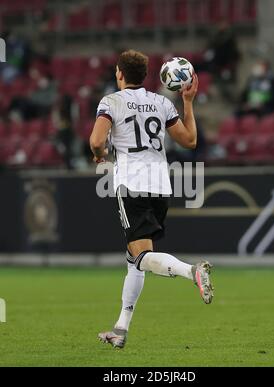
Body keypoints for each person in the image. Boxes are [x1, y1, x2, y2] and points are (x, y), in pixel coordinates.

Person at [90, 50, 214, 349]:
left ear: (119, 73)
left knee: (142, 256)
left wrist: (99, 154)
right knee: (135, 260)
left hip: (131, 183)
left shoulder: (111, 102)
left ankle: (191, 271)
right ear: (145, 76)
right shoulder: (161, 102)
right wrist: (187, 103)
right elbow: (190, 141)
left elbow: (96, 140)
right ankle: (120, 329)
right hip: (160, 184)